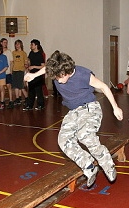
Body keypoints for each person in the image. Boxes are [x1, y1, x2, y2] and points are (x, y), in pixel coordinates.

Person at [24, 50, 123, 188]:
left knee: (85, 135)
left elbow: (104, 87)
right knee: (63, 140)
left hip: (90, 108)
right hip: (73, 112)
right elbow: (47, 68)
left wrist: (115, 107)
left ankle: (107, 163)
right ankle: (88, 166)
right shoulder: (57, 69)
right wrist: (33, 75)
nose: (57, 81)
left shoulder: (83, 74)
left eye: (59, 78)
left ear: (66, 72)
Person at [23, 39, 46, 111]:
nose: (30, 46)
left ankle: (41, 105)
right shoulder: (31, 53)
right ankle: (30, 105)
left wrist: (34, 66)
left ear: (36, 45)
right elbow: (29, 61)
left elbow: (43, 66)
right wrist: (27, 65)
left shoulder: (40, 54)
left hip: (38, 75)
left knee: (38, 91)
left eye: (32, 44)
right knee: (31, 91)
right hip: (31, 74)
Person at [11, 39, 29, 106]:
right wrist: (11, 70)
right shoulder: (13, 53)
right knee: (15, 86)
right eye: (16, 44)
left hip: (21, 70)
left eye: (18, 44)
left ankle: (27, 97)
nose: (17, 45)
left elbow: (26, 62)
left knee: (21, 86)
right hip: (14, 70)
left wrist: (26, 69)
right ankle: (17, 98)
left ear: (21, 45)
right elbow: (12, 62)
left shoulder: (23, 53)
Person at [0, 38, 14, 108]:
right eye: (4, 42)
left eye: (6, 42)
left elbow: (11, 62)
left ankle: (11, 100)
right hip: (1, 73)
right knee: (2, 87)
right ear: (1, 43)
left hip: (7, 72)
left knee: (9, 86)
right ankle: (2, 101)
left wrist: (11, 71)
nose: (5, 44)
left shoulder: (9, 52)